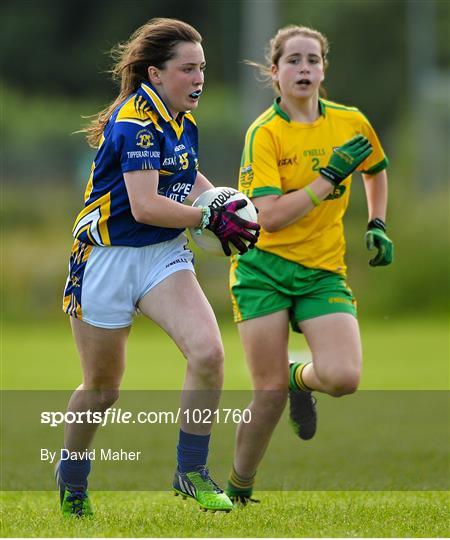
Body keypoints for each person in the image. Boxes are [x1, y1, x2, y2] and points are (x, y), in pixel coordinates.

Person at [58, 17, 259, 517]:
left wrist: (226, 206)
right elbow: (146, 205)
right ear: (154, 74)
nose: (199, 79)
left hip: (161, 256)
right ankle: (73, 477)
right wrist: (208, 217)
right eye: (187, 69)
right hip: (104, 260)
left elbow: (187, 182)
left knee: (209, 353)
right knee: (103, 390)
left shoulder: (181, 117)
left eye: (202, 68)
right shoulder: (135, 122)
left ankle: (190, 470)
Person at [226, 24, 393, 504]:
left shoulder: (350, 120)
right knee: (268, 393)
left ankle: (304, 377)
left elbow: (377, 171)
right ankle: (239, 488)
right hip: (263, 270)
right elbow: (270, 218)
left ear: (324, 69)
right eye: (294, 61)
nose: (304, 69)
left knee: (343, 378)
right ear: (274, 72)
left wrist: (377, 222)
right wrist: (327, 178)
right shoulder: (265, 133)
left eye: (313, 60)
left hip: (322, 269)